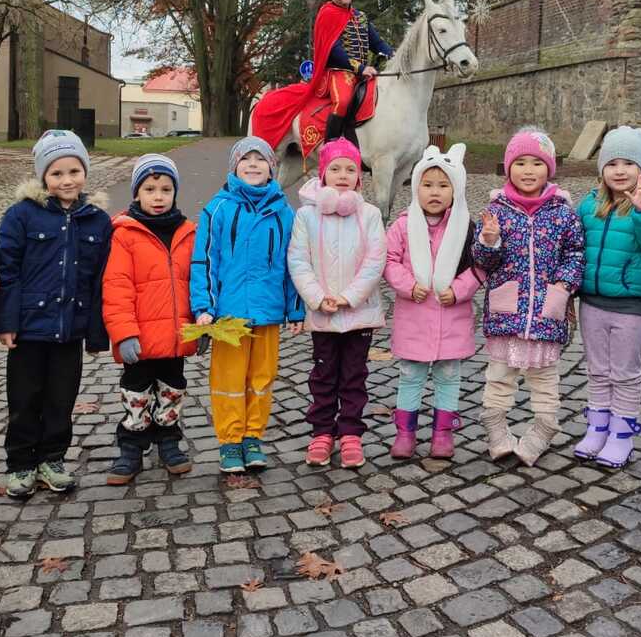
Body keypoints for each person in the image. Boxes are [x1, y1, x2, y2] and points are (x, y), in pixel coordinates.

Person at [0, 130, 110, 499]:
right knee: (25, 398)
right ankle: (21, 463)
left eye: (74, 171)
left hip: (70, 329)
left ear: (85, 172)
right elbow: (7, 269)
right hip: (29, 328)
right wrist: (6, 322)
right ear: (43, 176)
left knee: (61, 399)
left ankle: (52, 459)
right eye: (56, 173)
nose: (66, 180)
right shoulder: (22, 215)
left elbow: (100, 280)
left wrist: (96, 333)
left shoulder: (97, 220)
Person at [191, 137, 305, 472]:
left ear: (272, 168)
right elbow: (205, 261)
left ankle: (252, 437)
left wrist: (295, 307)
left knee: (262, 378)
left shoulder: (283, 213)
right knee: (228, 381)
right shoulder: (218, 209)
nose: (253, 164)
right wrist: (204, 307)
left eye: (261, 159)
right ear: (234, 167)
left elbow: (292, 263)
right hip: (229, 315)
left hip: (268, 313)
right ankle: (230, 441)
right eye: (246, 159)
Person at [473, 126, 585, 467]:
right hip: (506, 312)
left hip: (546, 311)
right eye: (520, 163)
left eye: (536, 163)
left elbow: (575, 253)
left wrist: (564, 285)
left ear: (548, 168)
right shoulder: (497, 210)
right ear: (509, 168)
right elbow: (483, 261)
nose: (528, 170)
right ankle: (496, 431)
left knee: (545, 380)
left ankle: (543, 429)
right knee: (499, 376)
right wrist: (489, 240)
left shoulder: (563, 211)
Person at [574, 126, 641, 469]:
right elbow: (574, 245)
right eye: (612, 163)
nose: (619, 170)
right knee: (598, 370)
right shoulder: (590, 204)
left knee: (624, 373)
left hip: (632, 305)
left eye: (628, 163)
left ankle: (622, 434)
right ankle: (597, 428)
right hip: (592, 302)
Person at [287, 138, 386, 467]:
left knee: (354, 376)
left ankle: (351, 433)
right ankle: (322, 432)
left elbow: (375, 260)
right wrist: (317, 298)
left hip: (359, 312)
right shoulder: (306, 216)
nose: (343, 175)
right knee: (323, 374)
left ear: (359, 177)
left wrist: (350, 296)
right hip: (323, 314)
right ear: (323, 173)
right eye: (335, 168)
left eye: (350, 169)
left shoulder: (370, 215)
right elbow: (298, 260)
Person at [383, 143, 483, 460]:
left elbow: (478, 266)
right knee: (410, 376)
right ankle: (405, 433)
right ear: (416, 188)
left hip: (452, 318)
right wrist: (408, 285)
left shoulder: (466, 228)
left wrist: (459, 290)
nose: (435, 192)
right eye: (427, 185)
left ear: (456, 190)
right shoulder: (403, 225)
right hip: (414, 317)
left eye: (443, 185)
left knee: (448, 377)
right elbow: (389, 260)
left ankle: (442, 433)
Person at [103, 154, 199, 485]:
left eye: (166, 190)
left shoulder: (188, 232)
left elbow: (197, 283)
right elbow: (117, 286)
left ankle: (168, 441)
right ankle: (131, 446)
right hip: (140, 337)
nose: (158, 197)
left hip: (175, 335)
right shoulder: (125, 233)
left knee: (173, 388)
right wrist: (123, 333)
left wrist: (199, 327)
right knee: (136, 391)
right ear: (137, 193)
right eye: (150, 189)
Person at [314, 0, 394, 146]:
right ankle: (330, 145)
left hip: (363, 73)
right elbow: (333, 49)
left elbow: (377, 43)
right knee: (342, 101)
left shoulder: (360, 17)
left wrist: (394, 57)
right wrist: (360, 68)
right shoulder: (327, 13)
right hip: (339, 71)